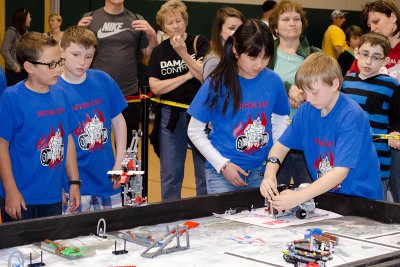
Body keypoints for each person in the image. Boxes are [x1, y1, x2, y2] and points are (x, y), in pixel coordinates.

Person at [260, 52, 383, 212]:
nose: (308, 99)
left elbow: (340, 172)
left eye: (314, 92)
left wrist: (299, 196)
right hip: (328, 198)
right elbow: (281, 146)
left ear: (334, 84)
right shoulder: (307, 110)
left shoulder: (351, 116)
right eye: (305, 92)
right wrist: (270, 175)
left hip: (361, 201)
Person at [188, 19, 290, 194]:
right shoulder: (217, 82)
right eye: (252, 57)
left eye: (265, 57)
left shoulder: (273, 81)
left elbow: (281, 120)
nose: (259, 64)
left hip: (262, 172)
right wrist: (222, 165)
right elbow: (194, 130)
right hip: (223, 174)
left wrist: (273, 159)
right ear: (236, 50)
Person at [0, 32, 81, 222]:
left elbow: (67, 139)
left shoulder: (62, 95)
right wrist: (11, 190)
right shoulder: (11, 98)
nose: (59, 69)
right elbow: (2, 146)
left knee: (50, 248)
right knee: (18, 252)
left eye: (59, 62)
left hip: (52, 197)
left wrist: (74, 182)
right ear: (29, 66)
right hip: (21, 197)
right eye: (52, 64)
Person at [57, 26, 127, 211]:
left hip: (106, 179)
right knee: (74, 239)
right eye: (76, 55)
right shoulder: (54, 88)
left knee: (112, 234)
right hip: (73, 184)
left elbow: (119, 122)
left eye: (88, 57)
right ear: (62, 51)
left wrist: (119, 163)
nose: (82, 62)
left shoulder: (103, 80)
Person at [147, 0, 209, 200]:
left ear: (185, 22)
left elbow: (203, 76)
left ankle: (204, 216)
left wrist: (183, 52)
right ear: (163, 27)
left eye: (178, 21)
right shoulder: (159, 51)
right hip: (170, 118)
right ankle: (170, 216)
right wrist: (187, 75)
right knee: (171, 174)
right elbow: (155, 87)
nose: (175, 26)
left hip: (199, 115)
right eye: (170, 23)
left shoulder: (199, 43)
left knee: (203, 173)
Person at [78, 0, 158, 142]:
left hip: (129, 93)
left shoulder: (137, 19)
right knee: (96, 144)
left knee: (129, 149)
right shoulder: (90, 18)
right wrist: (77, 33)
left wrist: (152, 36)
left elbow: (150, 58)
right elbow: (77, 54)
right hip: (96, 93)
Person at [349, 0, 400, 203]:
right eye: (370, 25)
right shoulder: (354, 72)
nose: (373, 27)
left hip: (392, 136)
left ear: (394, 17)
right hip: (368, 143)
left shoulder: (391, 85)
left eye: (376, 21)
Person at [267, 0, 316, 187]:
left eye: (296, 19)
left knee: (309, 191)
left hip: (305, 135)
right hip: (274, 136)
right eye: (286, 19)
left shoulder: (314, 54)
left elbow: (326, 88)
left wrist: (304, 95)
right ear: (276, 27)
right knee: (275, 191)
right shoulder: (266, 53)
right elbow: (260, 85)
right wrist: (287, 88)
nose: (292, 23)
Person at [202, 7, 245, 81]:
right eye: (232, 28)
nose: (238, 32)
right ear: (219, 31)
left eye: (241, 28)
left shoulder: (241, 56)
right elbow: (213, 91)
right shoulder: (213, 62)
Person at [1, 8, 31, 86]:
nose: (30, 19)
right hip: (14, 73)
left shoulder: (26, 33)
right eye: (29, 17)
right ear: (23, 19)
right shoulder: (11, 31)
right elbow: (4, 50)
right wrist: (14, 66)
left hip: (25, 71)